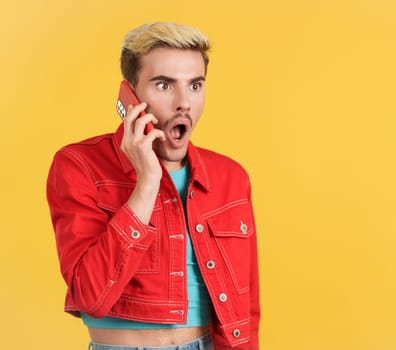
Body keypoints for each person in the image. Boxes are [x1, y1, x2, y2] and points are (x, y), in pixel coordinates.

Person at [46, 22, 260, 350]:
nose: (184, 103)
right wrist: (146, 182)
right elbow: (91, 297)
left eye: (195, 85)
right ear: (129, 95)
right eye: (164, 85)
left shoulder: (230, 177)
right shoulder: (79, 165)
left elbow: (246, 310)